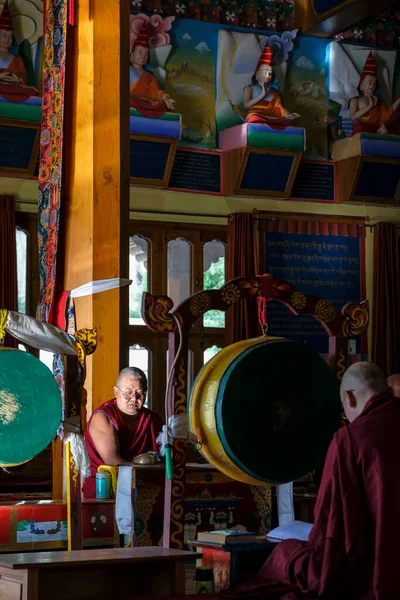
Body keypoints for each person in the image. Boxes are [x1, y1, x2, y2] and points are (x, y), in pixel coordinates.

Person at [222, 362, 400, 599]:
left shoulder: (351, 439)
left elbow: (333, 521)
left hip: (370, 569)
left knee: (285, 555)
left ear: (349, 397)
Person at [83, 367, 163, 498]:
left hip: (147, 486)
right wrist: (152, 469)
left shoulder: (153, 419)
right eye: (128, 392)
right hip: (107, 488)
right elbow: (113, 461)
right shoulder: (103, 417)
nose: (134, 398)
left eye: (140, 393)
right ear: (116, 392)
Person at [243, 42, 299, 128]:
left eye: (270, 73)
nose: (268, 76)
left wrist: (287, 114)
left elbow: (279, 108)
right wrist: (262, 95)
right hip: (257, 116)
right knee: (253, 118)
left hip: (271, 117)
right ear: (257, 75)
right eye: (265, 72)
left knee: (288, 121)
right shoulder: (250, 88)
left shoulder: (273, 92)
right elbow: (246, 105)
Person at [129, 22, 174, 117]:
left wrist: (165, 98)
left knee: (162, 105)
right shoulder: (124, 72)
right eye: (140, 52)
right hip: (130, 100)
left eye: (146, 54)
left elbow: (155, 91)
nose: (143, 56)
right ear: (131, 55)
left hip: (143, 102)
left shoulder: (149, 77)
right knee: (128, 100)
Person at [350, 51, 400, 136]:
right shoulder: (355, 100)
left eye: (374, 83)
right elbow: (353, 116)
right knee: (358, 127)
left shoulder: (378, 100)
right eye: (369, 82)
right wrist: (369, 106)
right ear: (361, 86)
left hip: (378, 128)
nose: (372, 85)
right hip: (363, 127)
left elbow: (386, 115)